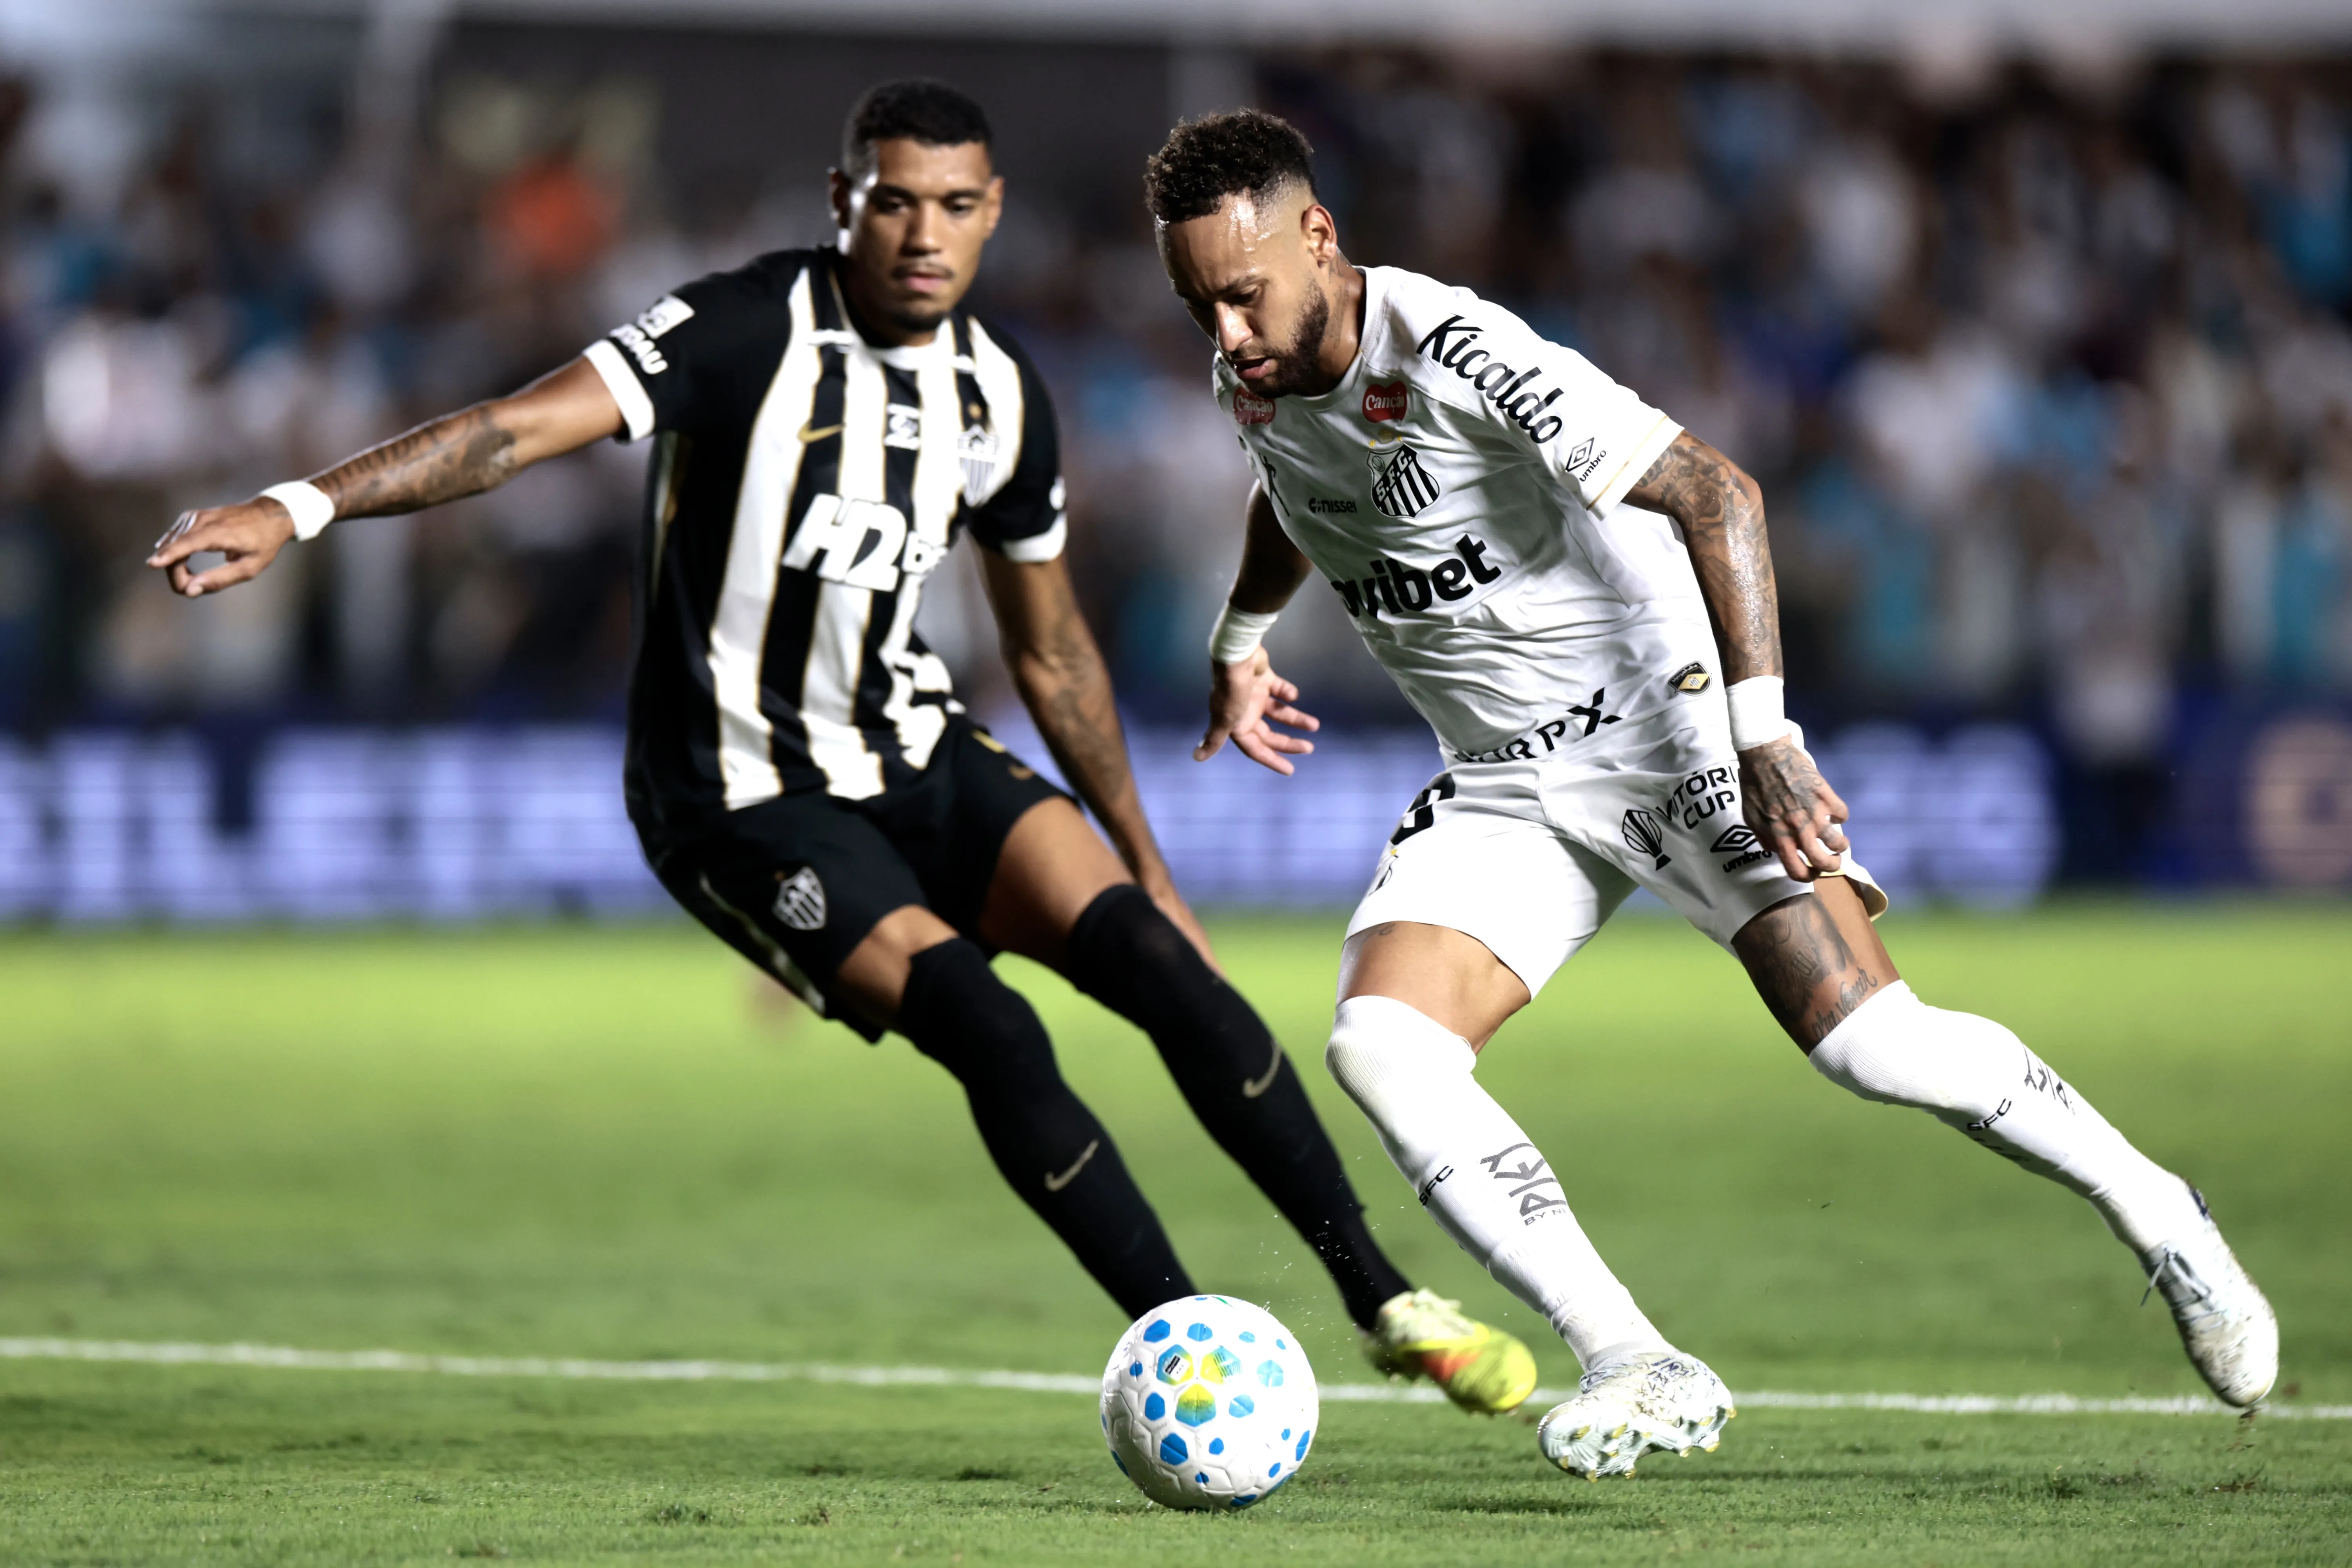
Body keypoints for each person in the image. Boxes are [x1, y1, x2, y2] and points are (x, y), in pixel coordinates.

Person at [146, 80, 1535, 1413]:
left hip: (910, 743)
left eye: (955, 206)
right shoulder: (745, 331)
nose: (925, 234)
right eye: (894, 202)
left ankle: (1383, 1301)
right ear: (842, 201)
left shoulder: (998, 392)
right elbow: (514, 432)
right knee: (992, 1029)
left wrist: (1148, 865)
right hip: (739, 796)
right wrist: (298, 508)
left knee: (1163, 968)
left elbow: (1053, 650)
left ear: (993, 212)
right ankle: (1191, 1353)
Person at [1145, 109, 2278, 1480]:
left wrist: (1765, 735)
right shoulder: (1258, 375)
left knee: (1873, 1047)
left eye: (1242, 294)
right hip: (1508, 783)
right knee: (1383, 1046)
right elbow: (1300, 494)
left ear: (1318, 237)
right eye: (1199, 306)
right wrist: (1239, 640)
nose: (1225, 334)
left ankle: (2162, 1216)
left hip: (1669, 732)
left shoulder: (1458, 353)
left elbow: (1718, 495)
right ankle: (1637, 1361)